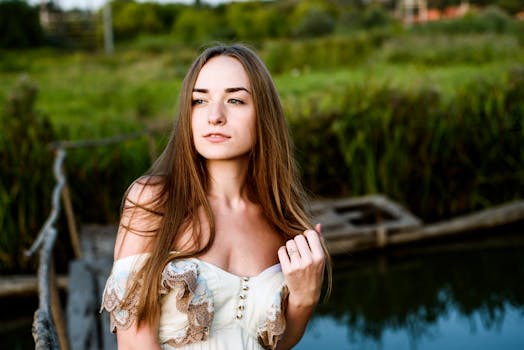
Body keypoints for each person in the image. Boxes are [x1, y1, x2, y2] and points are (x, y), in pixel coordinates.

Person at [100, 43, 331, 350]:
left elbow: (275, 343)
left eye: (235, 100)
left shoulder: (281, 219)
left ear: (263, 113)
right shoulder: (153, 200)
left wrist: (304, 299)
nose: (215, 116)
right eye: (199, 100)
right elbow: (132, 342)